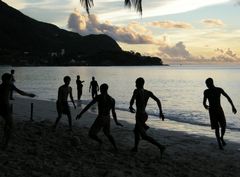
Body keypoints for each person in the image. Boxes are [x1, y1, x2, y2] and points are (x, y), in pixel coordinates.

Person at [76, 83, 123, 150]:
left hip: (101, 118)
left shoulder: (99, 97)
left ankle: (100, 142)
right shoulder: (112, 99)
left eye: (100, 89)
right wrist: (116, 122)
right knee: (107, 133)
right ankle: (115, 147)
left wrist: (80, 114)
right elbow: (113, 112)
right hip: (107, 118)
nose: (100, 91)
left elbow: (89, 105)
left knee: (91, 134)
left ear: (102, 89)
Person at [129, 77, 165, 156]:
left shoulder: (136, 91)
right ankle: (135, 148)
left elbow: (133, 99)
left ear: (139, 84)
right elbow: (158, 100)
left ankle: (160, 146)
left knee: (144, 136)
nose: (135, 84)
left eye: (136, 83)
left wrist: (130, 106)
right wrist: (161, 112)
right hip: (144, 115)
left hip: (139, 115)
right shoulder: (148, 92)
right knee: (136, 131)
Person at [0, 73, 35, 149]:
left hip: (3, 107)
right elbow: (20, 92)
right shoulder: (9, 85)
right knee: (10, 125)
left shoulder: (1, 86)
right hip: (5, 107)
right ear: (6, 80)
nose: (12, 81)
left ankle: (4, 140)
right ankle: (5, 144)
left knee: (7, 124)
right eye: (10, 79)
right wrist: (29, 95)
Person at [203, 78, 237, 150]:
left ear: (211, 83)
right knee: (217, 128)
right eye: (206, 84)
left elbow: (228, 97)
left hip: (219, 110)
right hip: (212, 111)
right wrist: (205, 105)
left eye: (207, 84)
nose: (206, 85)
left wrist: (233, 107)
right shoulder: (206, 92)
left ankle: (221, 137)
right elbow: (204, 101)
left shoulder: (219, 90)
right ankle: (219, 144)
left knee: (224, 126)